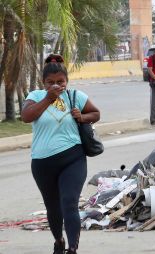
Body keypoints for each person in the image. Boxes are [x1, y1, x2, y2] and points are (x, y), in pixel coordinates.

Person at [21, 54, 100, 254]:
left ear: (66, 81)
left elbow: (96, 113)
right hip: (42, 162)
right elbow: (26, 117)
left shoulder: (75, 96)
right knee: (53, 206)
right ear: (43, 82)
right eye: (50, 82)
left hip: (72, 157)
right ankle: (58, 241)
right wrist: (48, 98)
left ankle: (73, 248)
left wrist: (82, 116)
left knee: (69, 202)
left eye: (60, 82)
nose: (56, 85)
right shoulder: (36, 96)